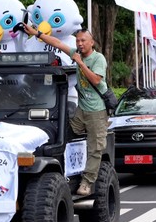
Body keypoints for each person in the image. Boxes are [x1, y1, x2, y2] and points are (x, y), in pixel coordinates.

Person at [22, 23, 108, 197]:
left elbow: (96, 80)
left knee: (96, 147)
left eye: (84, 40)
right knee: (63, 133)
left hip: (97, 111)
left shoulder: (98, 59)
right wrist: (37, 33)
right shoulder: (76, 53)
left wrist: (80, 63)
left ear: (92, 43)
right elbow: (57, 43)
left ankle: (87, 182)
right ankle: (68, 175)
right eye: (77, 41)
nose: (80, 44)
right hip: (81, 110)